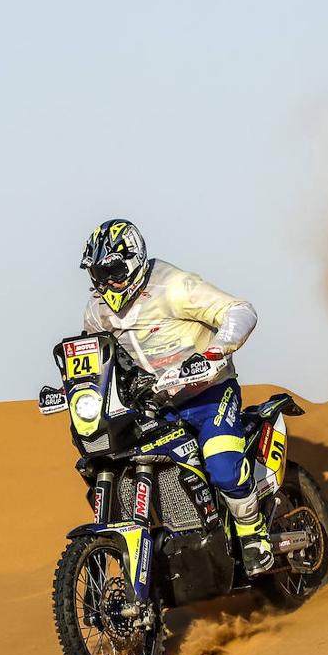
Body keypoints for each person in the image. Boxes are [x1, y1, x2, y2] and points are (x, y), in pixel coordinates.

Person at [78, 218, 273, 575]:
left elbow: (240, 310)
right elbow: (94, 360)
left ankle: (253, 534)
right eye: (98, 275)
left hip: (208, 393)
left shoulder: (172, 286)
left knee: (221, 464)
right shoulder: (98, 310)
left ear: (133, 261)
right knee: (117, 464)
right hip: (155, 406)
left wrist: (214, 352)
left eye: (113, 272)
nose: (107, 283)